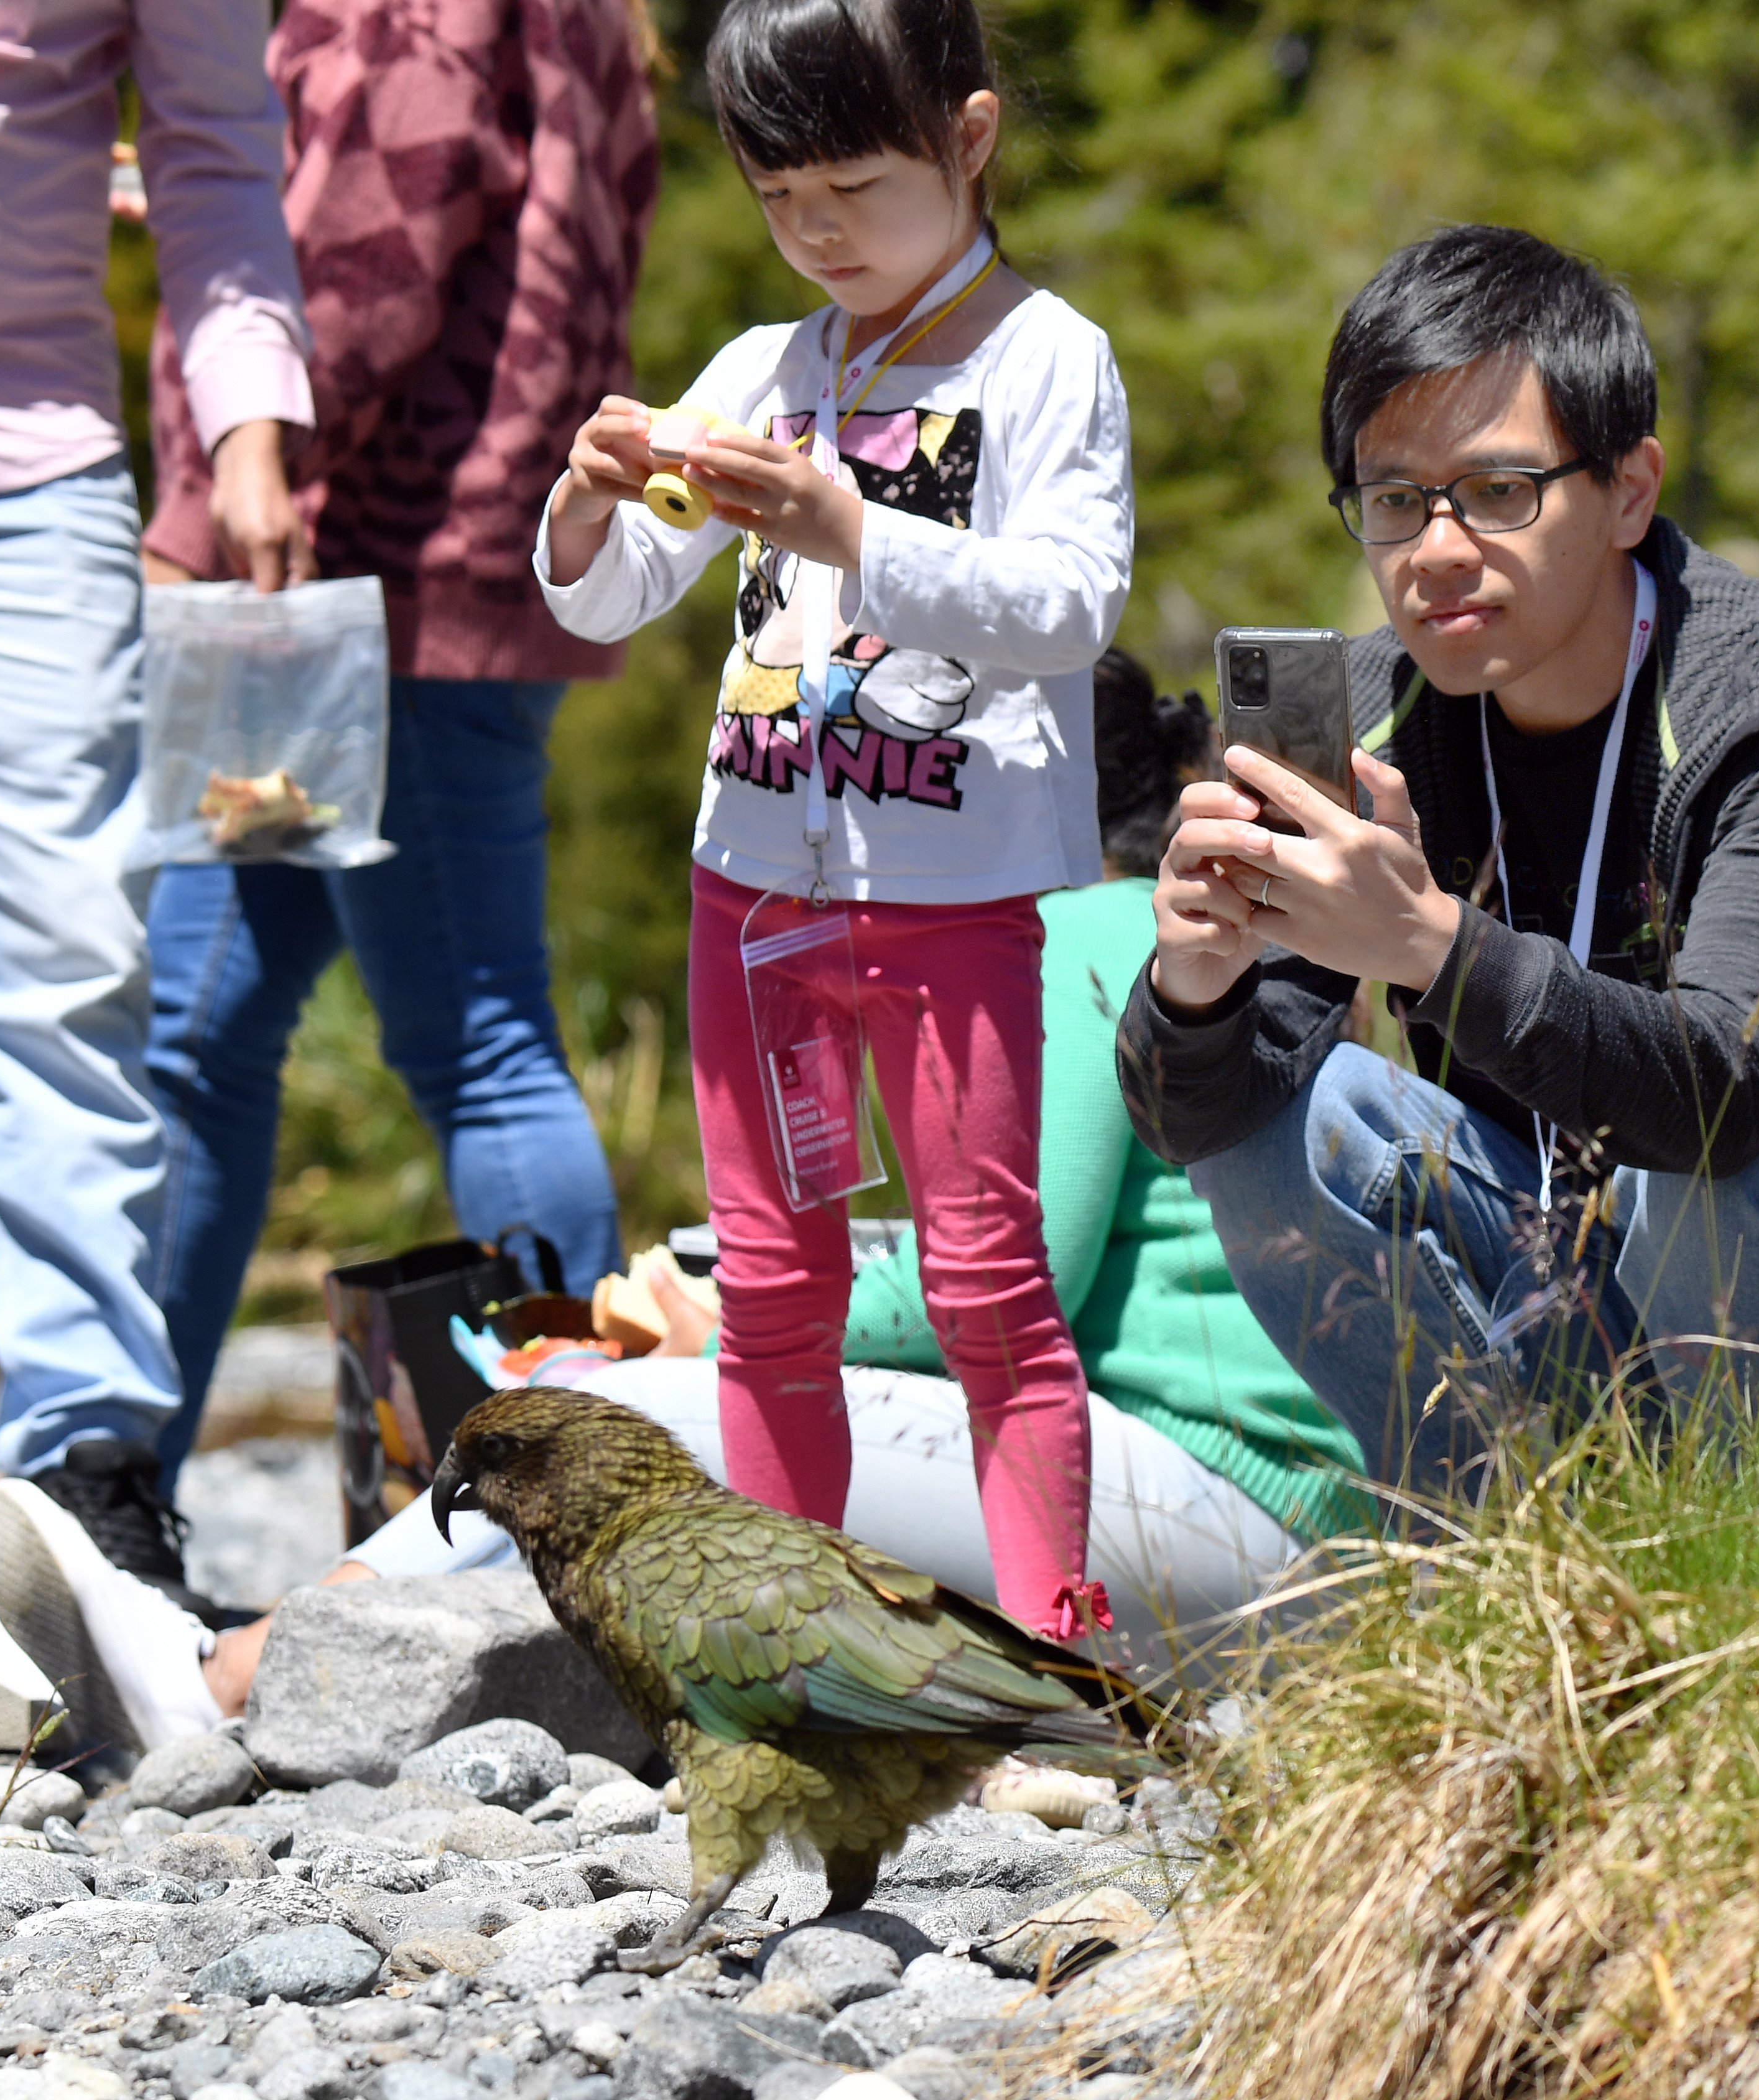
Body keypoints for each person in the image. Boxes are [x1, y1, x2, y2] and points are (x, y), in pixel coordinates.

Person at [86, 649, 1369, 1735]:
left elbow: (1003, 1273)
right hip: (1264, 1538)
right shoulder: (1138, 931)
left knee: (606, 1412)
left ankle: (217, 1678)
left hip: (1219, 1517)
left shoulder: (1075, 932)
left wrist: (718, 1313)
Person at [1115, 226, 1759, 1504]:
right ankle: (1503, 1582)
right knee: (1288, 1131)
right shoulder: (1373, 719)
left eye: (1497, 493)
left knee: (1703, 1168)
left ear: (1629, 490)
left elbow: (1727, 1100)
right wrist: (1195, 991)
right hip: (1571, 1295)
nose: (1433, 552)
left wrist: (1427, 946)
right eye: (1391, 500)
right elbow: (1198, 1129)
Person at [537, 0, 1131, 1639]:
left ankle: (1051, 1652)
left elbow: (1072, 606)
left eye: (859, 187)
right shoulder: (764, 364)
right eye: (780, 196)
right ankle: (789, 1662)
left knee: (987, 1288)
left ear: (974, 137)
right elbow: (609, 606)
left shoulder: (1047, 359)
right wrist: (587, 498)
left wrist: (848, 528)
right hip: (754, 899)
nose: (819, 233)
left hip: (957, 901)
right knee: (774, 1290)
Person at [129, 0, 659, 1492]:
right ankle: (112, 1494)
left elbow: (359, 277)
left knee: (481, 1045)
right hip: (379, 588)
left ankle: (593, 1522)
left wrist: (196, 515)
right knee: (198, 1030)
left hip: (377, 589)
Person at [0, 0, 309, 1677]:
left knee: (64, 962)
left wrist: (250, 421)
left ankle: (85, 1485)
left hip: (23, 479)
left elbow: (215, 153)